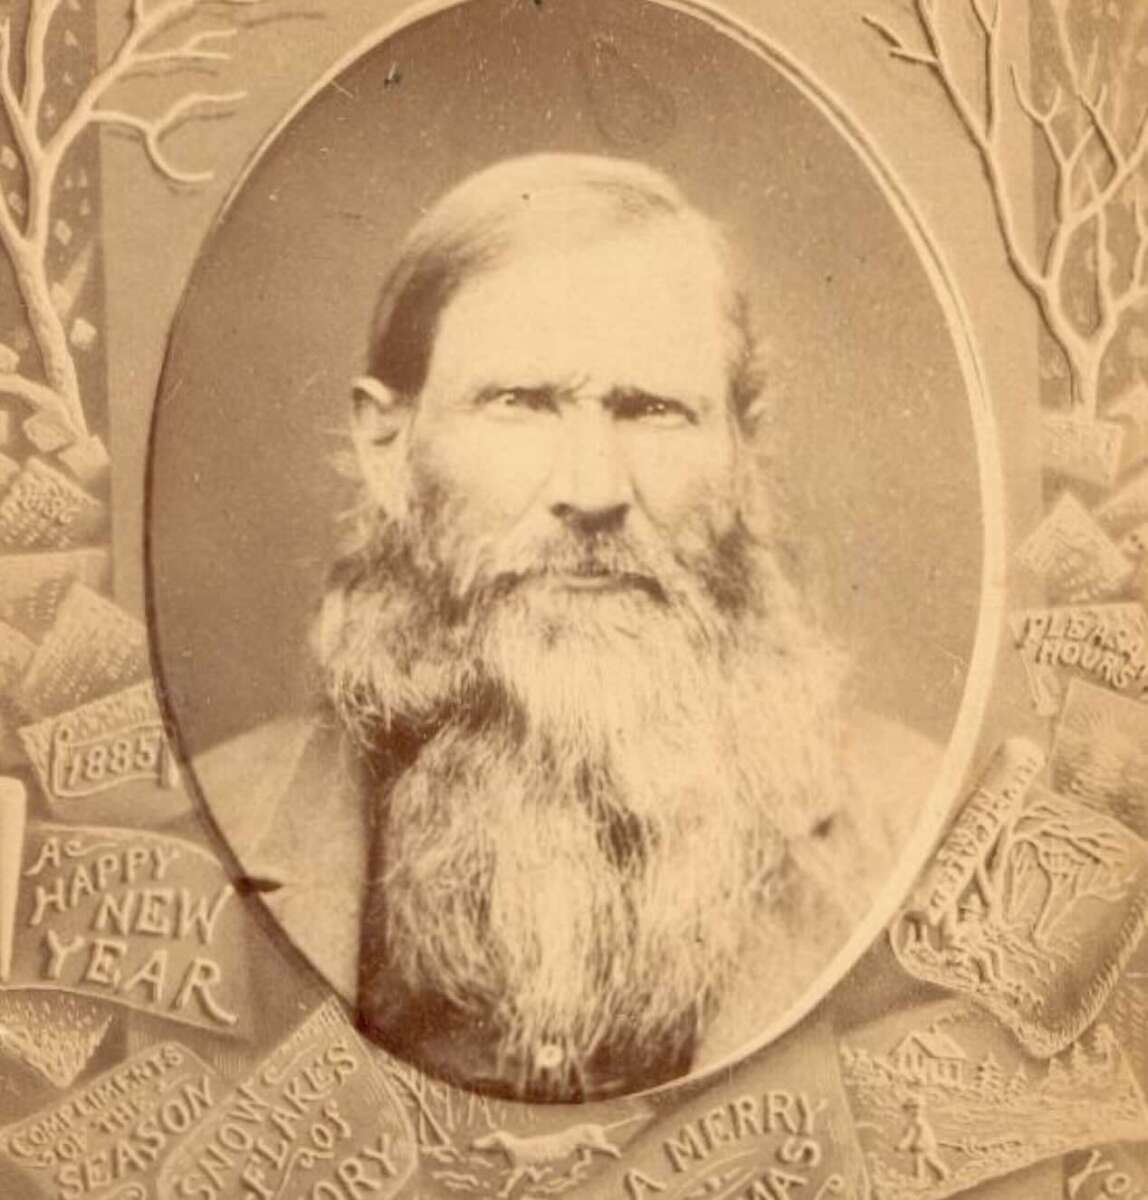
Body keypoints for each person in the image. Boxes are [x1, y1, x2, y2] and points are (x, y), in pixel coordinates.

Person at [198, 153, 939, 1100]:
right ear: (388, 445)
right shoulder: (206, 831)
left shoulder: (924, 840)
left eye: (654, 412)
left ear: (743, 454)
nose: (593, 490)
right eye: (520, 405)